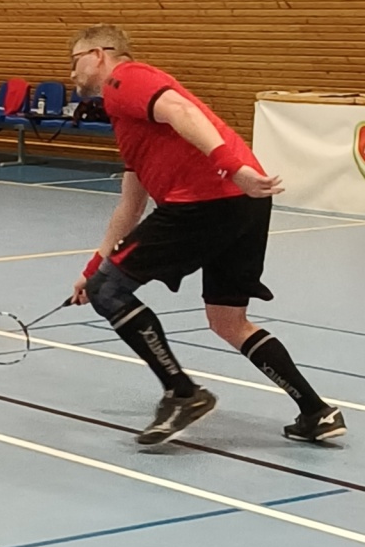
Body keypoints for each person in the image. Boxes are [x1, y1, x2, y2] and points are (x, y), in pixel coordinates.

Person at [69, 24, 345, 447]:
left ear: (100, 55)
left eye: (75, 60)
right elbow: (131, 205)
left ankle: (182, 393)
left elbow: (181, 110)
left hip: (205, 199)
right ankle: (316, 411)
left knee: (110, 292)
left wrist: (233, 167)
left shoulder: (127, 79)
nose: (72, 72)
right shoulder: (128, 119)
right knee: (227, 320)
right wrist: (93, 269)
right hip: (241, 203)